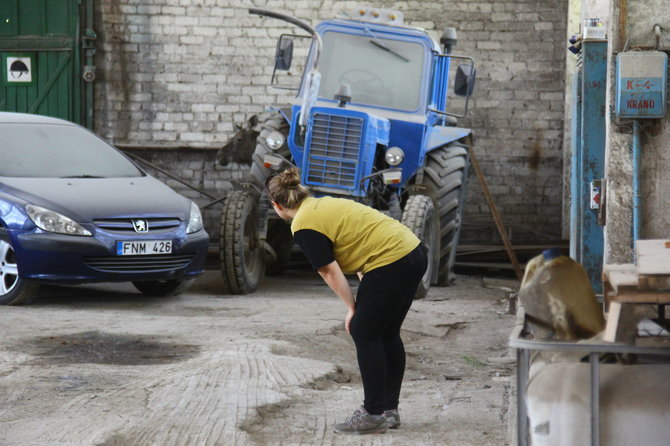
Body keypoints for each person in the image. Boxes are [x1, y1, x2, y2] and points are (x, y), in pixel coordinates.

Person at [265, 167, 428, 435]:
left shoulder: (303, 225)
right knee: (386, 333)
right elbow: (361, 241)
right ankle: (388, 410)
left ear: (276, 205)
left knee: (364, 331)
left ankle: (373, 414)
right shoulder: (321, 205)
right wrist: (366, 299)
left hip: (392, 260)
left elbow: (329, 271)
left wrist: (353, 309)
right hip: (413, 252)